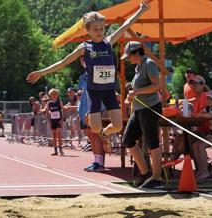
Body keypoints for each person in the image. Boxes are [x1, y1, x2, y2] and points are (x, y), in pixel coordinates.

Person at [26, 0, 150, 149]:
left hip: (109, 90)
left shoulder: (108, 41)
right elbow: (63, 63)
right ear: (88, 30)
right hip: (94, 91)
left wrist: (140, 11)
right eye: (96, 29)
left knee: (117, 126)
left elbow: (125, 25)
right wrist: (42, 72)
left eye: (102, 28)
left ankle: (105, 134)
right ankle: (96, 126)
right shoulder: (84, 47)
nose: (99, 32)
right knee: (95, 127)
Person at [121, 41, 162, 189]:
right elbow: (139, 88)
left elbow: (157, 85)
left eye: (129, 56)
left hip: (150, 107)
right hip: (138, 109)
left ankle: (157, 178)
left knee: (152, 143)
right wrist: (131, 97)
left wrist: (137, 92)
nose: (127, 59)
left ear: (137, 53)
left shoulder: (149, 64)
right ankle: (145, 173)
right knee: (127, 140)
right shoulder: (138, 67)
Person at [42, 89, 65, 156]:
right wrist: (49, 121)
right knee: (54, 135)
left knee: (58, 133)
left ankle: (60, 149)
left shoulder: (59, 102)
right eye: (52, 94)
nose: (53, 95)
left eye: (55, 94)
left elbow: (63, 111)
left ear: (57, 95)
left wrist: (62, 120)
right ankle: (55, 150)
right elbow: (47, 113)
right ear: (50, 95)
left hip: (59, 120)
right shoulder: (49, 103)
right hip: (52, 121)